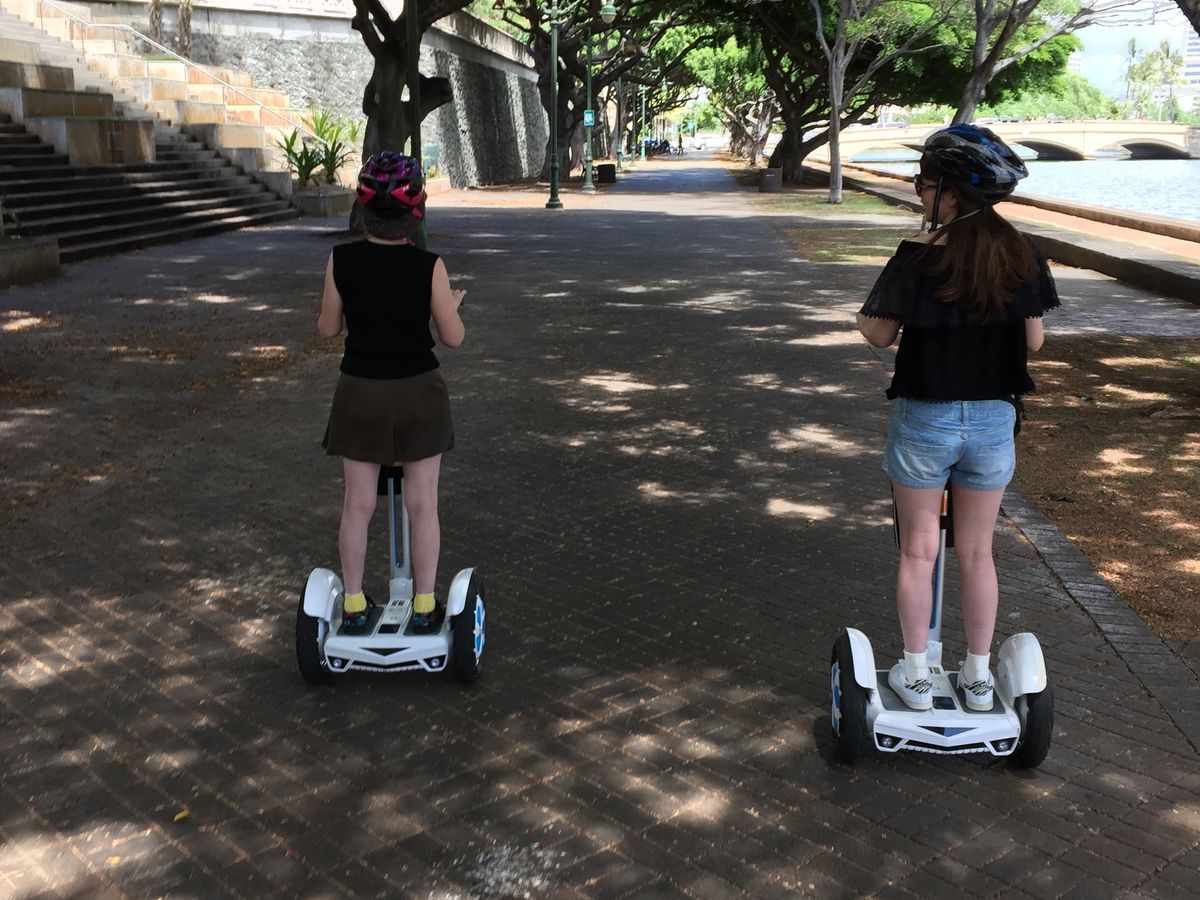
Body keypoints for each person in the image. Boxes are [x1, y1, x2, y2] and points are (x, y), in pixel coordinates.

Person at [855, 125, 1060, 711]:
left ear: (950, 192)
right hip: (994, 421)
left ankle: (917, 674)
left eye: (924, 183)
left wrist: (861, 317)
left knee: (919, 552)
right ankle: (976, 676)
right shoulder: (1022, 254)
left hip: (927, 417)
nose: (920, 192)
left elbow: (879, 334)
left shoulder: (919, 258)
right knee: (976, 553)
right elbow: (1035, 342)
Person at [318, 151, 466, 635]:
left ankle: (354, 604)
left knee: (357, 504)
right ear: (415, 210)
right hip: (418, 393)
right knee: (422, 504)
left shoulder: (341, 260)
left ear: (363, 209)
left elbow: (327, 328)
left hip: (360, 392)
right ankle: (424, 606)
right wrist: (449, 305)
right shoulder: (429, 266)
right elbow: (453, 337)